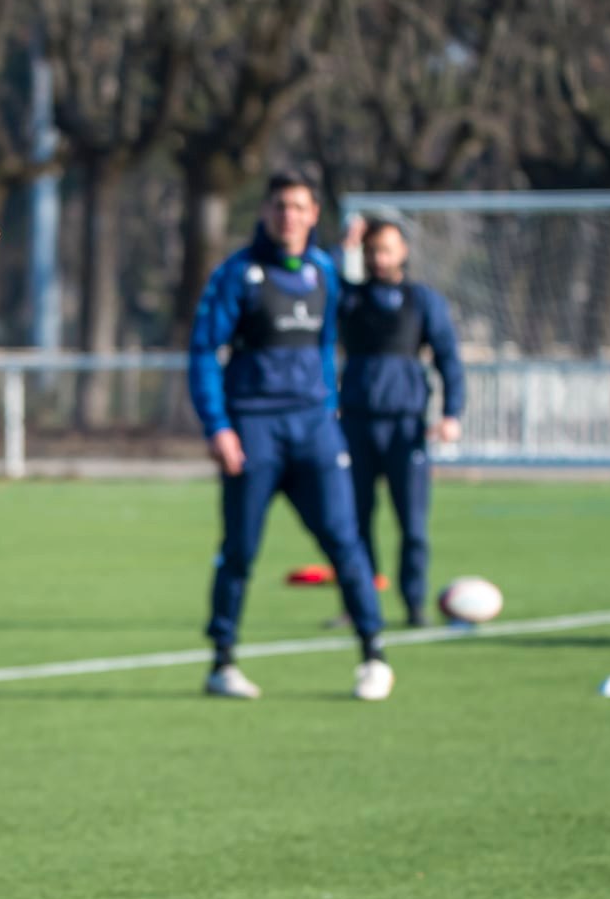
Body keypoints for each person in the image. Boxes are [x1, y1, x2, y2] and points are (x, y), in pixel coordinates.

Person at [188, 172, 393, 701]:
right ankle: (222, 663)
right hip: (253, 429)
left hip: (314, 429)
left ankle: (374, 654)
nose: (289, 216)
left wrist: (330, 407)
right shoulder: (238, 273)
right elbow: (205, 352)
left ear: (314, 213)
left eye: (299, 207)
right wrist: (219, 427)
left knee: (345, 541)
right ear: (266, 212)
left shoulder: (325, 271)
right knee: (239, 550)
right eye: (280, 206)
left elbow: (329, 346)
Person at [338, 216, 466, 627]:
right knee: (355, 520)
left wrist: (451, 413)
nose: (379, 258)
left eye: (386, 249)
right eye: (372, 250)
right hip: (356, 423)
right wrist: (343, 248)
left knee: (412, 524)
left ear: (403, 252)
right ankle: (359, 603)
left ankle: (414, 604)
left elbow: (448, 357)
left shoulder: (422, 301)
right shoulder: (350, 299)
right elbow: (319, 289)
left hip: (406, 426)